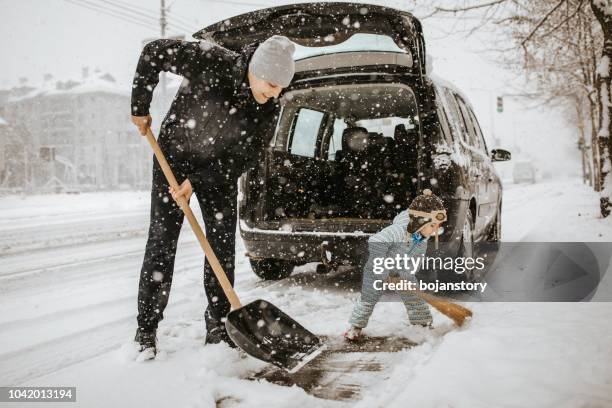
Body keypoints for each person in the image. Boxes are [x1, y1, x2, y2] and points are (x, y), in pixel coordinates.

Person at [130, 35, 296, 357]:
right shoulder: (209, 59)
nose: (275, 93)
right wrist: (139, 106)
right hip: (173, 158)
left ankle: (219, 323)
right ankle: (146, 329)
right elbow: (153, 52)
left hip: (219, 171)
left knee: (220, 244)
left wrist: (200, 180)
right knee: (162, 240)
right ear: (255, 68)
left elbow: (248, 154)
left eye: (281, 87)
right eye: (272, 84)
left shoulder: (268, 107)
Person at [344, 189, 446, 341]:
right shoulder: (398, 230)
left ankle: (422, 324)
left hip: (402, 272)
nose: (435, 231)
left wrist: (406, 274)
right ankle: (355, 327)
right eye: (432, 226)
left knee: (414, 296)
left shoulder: (421, 240)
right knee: (368, 299)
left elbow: (415, 260)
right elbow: (375, 241)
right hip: (377, 269)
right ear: (419, 220)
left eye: (437, 226)